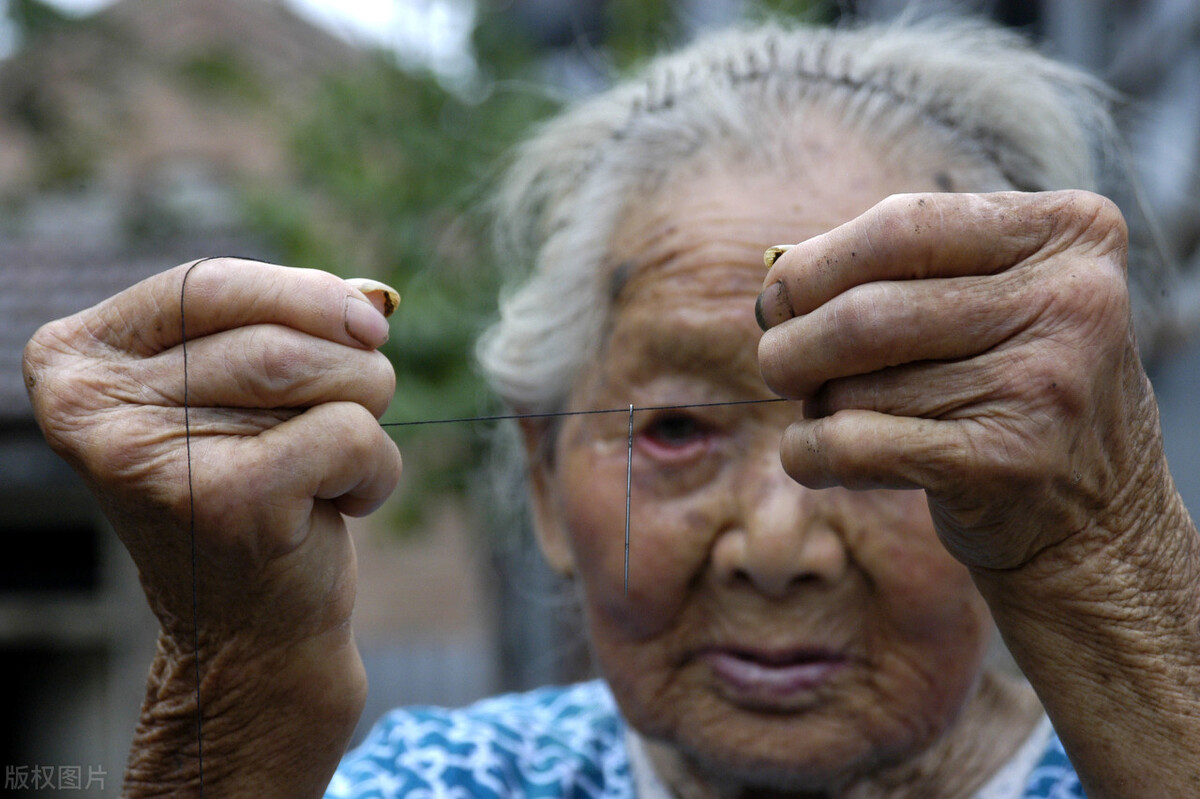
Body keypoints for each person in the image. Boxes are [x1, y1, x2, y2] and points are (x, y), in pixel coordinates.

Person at [21, 16, 1200, 799]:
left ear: (1049, 464)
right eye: (676, 429)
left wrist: (1114, 556)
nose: (778, 549)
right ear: (541, 480)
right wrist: (238, 666)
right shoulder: (455, 782)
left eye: (888, 415)